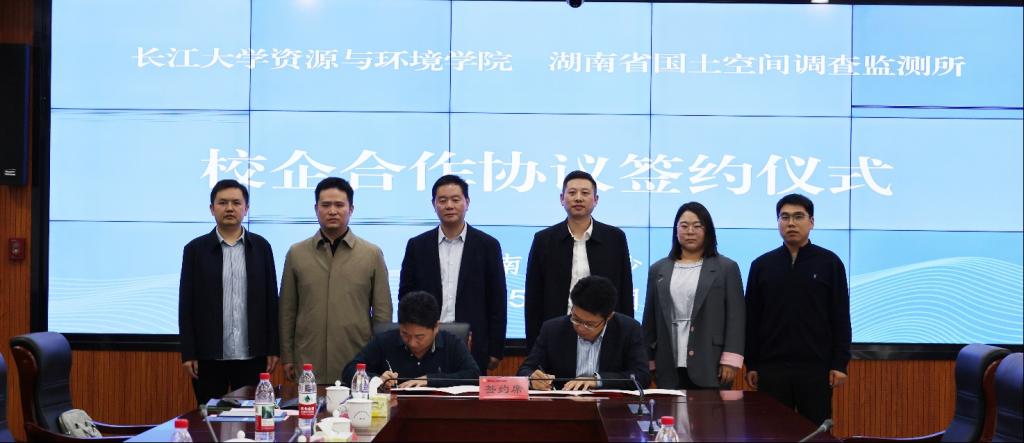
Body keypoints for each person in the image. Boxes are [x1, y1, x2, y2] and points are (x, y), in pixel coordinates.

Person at [744, 193, 851, 425]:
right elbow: (751, 319)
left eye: (798, 217)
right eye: (785, 217)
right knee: (770, 432)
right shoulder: (761, 265)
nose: (791, 223)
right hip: (771, 369)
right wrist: (751, 364)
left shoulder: (830, 263)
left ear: (811, 222)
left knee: (814, 433)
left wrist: (839, 364)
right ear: (778, 222)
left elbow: (840, 316)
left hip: (816, 369)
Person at [279, 177, 392, 382]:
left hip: (356, 359)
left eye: (339, 205)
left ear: (351, 209)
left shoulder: (371, 254)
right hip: (308, 360)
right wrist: (287, 356)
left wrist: (380, 357)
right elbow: (287, 310)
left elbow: (382, 313)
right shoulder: (297, 253)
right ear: (316, 209)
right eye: (326, 205)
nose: (333, 211)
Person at [178, 179, 279, 405]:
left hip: (252, 356)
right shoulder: (195, 250)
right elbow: (186, 305)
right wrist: (189, 352)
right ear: (212, 208)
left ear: (246, 208)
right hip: (208, 357)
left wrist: (273, 348)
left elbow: (271, 302)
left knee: (251, 417)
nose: (230, 208)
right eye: (222, 203)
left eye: (236, 202)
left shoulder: (261, 248)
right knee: (210, 419)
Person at [398, 175, 507, 372]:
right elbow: (406, 296)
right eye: (442, 200)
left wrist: (496, 348)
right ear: (434, 204)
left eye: (455, 200)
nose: (449, 205)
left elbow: (497, 301)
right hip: (425, 342)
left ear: (467, 202)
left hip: (472, 342)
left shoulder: (488, 245)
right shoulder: (417, 245)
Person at [524, 170, 633, 351]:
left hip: (605, 332)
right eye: (572, 192)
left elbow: (625, 291)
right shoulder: (544, 240)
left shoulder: (615, 238)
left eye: (585, 193)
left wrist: (628, 339)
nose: (578, 198)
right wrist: (534, 346)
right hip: (557, 332)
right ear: (562, 198)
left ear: (596, 199)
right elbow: (533, 298)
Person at [642, 202, 744, 389]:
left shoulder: (726, 268)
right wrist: (649, 360)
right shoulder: (658, 269)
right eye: (684, 226)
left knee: (710, 409)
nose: (690, 231)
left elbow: (736, 318)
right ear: (676, 230)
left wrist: (730, 359)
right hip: (667, 361)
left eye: (697, 226)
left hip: (711, 361)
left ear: (708, 231)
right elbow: (649, 320)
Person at [517, 275, 650, 391]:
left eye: (589, 324)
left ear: (609, 317)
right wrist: (532, 379)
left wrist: (597, 380)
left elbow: (641, 376)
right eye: (576, 319)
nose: (581, 328)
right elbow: (525, 370)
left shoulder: (628, 329)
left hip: (610, 407)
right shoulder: (552, 329)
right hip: (563, 405)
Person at [342, 291, 480, 388]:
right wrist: (377, 380)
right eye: (405, 334)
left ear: (436, 327)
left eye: (419, 336)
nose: (412, 343)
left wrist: (430, 380)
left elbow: (474, 376)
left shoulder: (452, 343)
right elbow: (349, 370)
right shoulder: (384, 341)